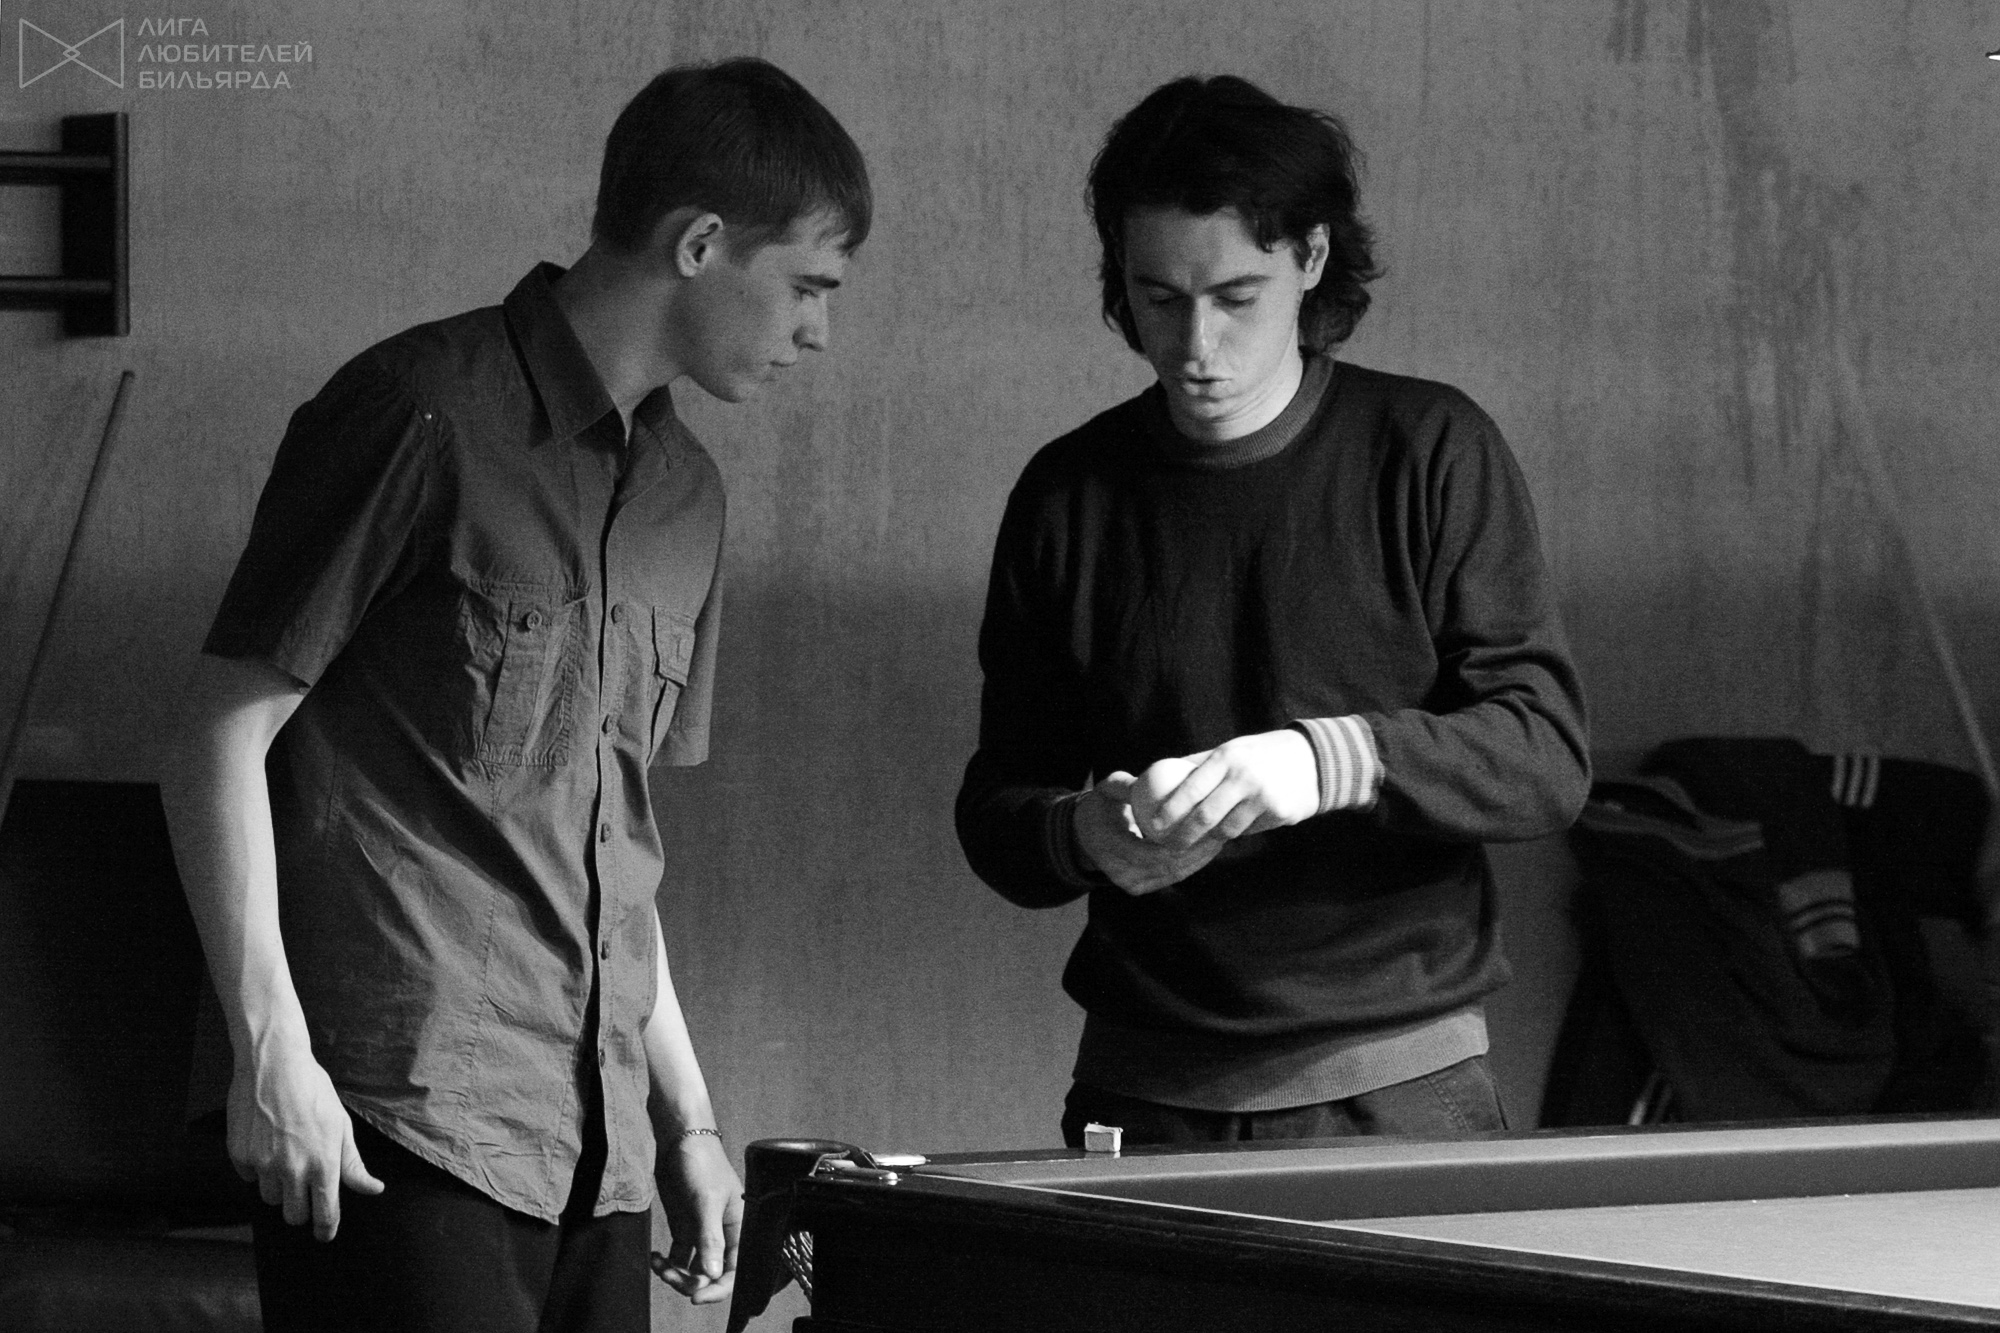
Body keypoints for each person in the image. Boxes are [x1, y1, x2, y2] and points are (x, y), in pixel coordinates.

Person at [162, 57, 869, 1331]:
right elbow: (213, 740)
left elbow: (612, 844)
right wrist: (271, 1054)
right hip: (392, 1118)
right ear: (700, 243)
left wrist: (686, 1121)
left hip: (598, 1147)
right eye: (809, 285)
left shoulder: (687, 497)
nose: (817, 330)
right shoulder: (415, 412)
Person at [955, 74, 1588, 1148]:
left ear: (1311, 257)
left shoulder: (1431, 450)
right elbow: (996, 811)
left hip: (1398, 1087)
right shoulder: (1068, 495)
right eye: (1159, 297)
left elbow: (1544, 755)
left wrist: (1328, 762)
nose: (1195, 345)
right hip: (1143, 1087)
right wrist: (1085, 831)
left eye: (1235, 296)